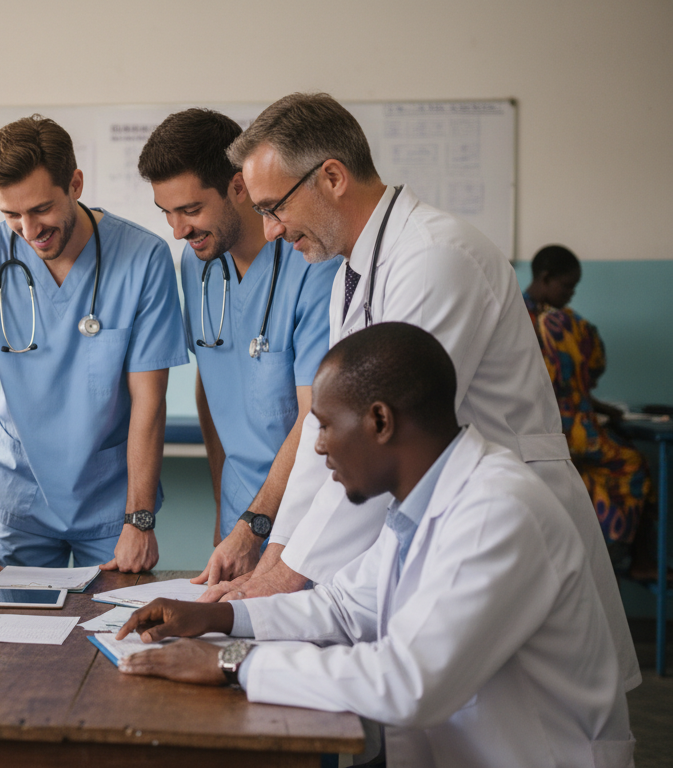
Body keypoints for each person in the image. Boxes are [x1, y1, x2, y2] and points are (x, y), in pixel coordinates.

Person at [209, 92, 639, 692]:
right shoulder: (352, 272)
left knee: (513, 711)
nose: (271, 230)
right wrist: (275, 560)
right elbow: (326, 434)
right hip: (436, 523)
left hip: (498, 523)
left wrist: (283, 580)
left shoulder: (436, 258)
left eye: (274, 207)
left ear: (331, 177)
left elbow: (381, 434)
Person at [116, 323, 634, 768]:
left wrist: (230, 663)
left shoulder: (498, 510)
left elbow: (409, 683)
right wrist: (217, 616)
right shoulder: (421, 501)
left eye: (324, 426)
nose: (319, 447)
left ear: (381, 421)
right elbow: (346, 606)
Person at [0, 115, 187, 573]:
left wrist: (139, 518)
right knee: (14, 620)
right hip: (21, 498)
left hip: (111, 505)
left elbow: (149, 401)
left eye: (41, 209)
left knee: (115, 617)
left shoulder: (143, 258)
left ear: (75, 184)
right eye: (11, 215)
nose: (28, 229)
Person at [137, 108, 339, 585]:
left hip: (304, 518)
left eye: (191, 210)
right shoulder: (196, 263)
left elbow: (316, 413)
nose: (178, 230)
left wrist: (254, 526)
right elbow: (211, 384)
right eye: (166, 212)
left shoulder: (313, 263)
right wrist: (225, 512)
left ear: (239, 187)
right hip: (238, 516)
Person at [523, 245, 651, 551]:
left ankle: (590, 547)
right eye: (567, 286)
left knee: (579, 479)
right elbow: (575, 380)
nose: (571, 294)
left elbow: (565, 386)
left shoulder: (518, 317)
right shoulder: (564, 324)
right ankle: (622, 554)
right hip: (567, 435)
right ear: (546, 277)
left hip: (538, 434)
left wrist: (601, 406)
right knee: (633, 465)